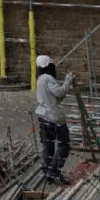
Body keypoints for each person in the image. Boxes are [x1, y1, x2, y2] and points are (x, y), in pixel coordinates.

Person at [35, 54, 75, 184]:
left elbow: (56, 96)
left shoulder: (40, 79)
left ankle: (47, 171)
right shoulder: (48, 78)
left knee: (48, 145)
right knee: (64, 144)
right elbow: (60, 92)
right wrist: (67, 81)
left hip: (43, 117)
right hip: (53, 117)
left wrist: (63, 85)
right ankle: (54, 170)